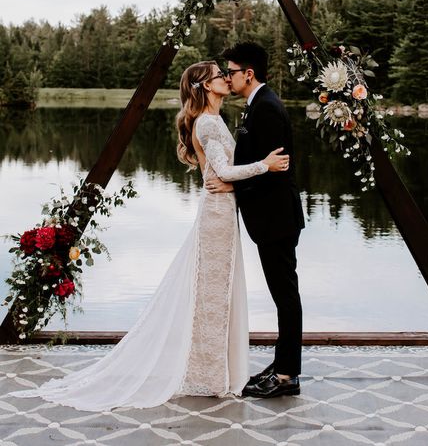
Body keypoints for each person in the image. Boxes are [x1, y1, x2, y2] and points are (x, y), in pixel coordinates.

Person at [9, 61, 289, 412]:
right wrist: (266, 165)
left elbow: (222, 174)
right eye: (218, 75)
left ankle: (213, 371)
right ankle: (208, 374)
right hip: (216, 216)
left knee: (217, 294)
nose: (223, 78)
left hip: (221, 210)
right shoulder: (207, 122)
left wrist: (232, 178)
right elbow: (223, 171)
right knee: (212, 296)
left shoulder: (213, 121)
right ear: (204, 86)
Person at [207, 42, 304, 398]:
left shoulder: (266, 108)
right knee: (284, 293)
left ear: (248, 74)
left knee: (286, 295)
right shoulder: (257, 106)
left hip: (276, 218)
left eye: (230, 72)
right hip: (272, 217)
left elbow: (272, 169)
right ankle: (282, 366)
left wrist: (229, 179)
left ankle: (287, 375)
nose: (227, 77)